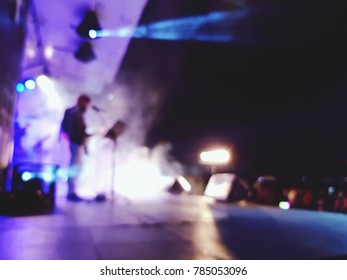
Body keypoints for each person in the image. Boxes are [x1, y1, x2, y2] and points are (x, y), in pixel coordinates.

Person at [60, 94, 91, 201]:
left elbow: (63, 126)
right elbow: (78, 130)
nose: (87, 106)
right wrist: (85, 135)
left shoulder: (70, 111)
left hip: (74, 141)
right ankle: (71, 192)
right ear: (83, 102)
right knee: (75, 167)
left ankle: (71, 191)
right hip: (76, 142)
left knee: (74, 166)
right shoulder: (76, 113)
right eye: (87, 104)